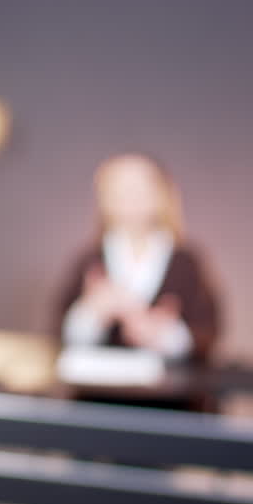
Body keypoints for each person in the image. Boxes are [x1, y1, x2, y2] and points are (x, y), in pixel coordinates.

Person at [56, 154, 220, 363]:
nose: (131, 196)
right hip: (99, 389)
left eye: (140, 187)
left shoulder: (186, 263)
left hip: (168, 392)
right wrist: (92, 312)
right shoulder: (90, 260)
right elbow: (61, 335)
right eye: (119, 188)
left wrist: (165, 335)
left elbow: (207, 332)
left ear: (162, 194)